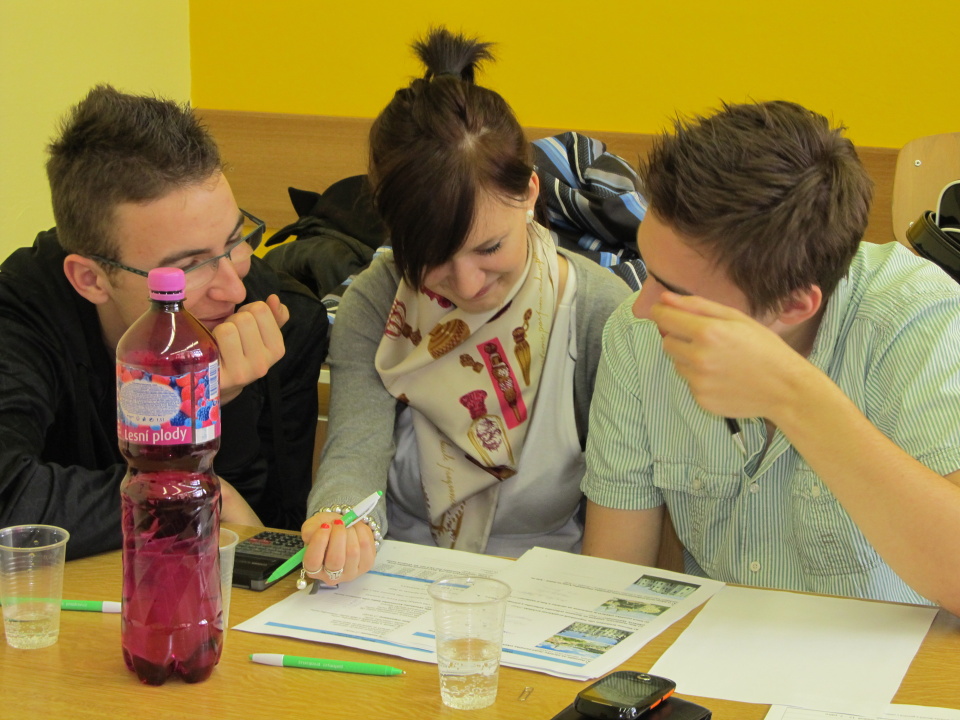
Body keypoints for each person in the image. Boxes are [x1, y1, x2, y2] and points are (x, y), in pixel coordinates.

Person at [580, 100, 960, 614]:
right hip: (714, 649)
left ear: (794, 304)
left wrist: (791, 395)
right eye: (647, 269)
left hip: (891, 655)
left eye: (677, 291)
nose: (642, 307)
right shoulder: (637, 334)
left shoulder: (916, 319)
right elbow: (611, 582)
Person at [300, 28, 631, 586]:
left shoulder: (597, 311)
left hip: (546, 590)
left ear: (530, 194)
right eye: (432, 259)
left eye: (489, 249)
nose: (468, 284)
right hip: (398, 583)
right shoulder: (378, 302)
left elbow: (621, 515)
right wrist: (341, 521)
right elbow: (355, 452)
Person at [0, 85, 328, 558]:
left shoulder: (281, 321)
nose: (233, 289)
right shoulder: (21, 312)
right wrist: (187, 490)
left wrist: (220, 409)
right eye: (189, 266)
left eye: (235, 241)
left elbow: (267, 539)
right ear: (91, 279)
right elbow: (9, 496)